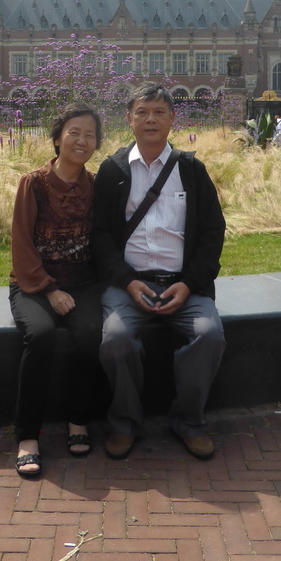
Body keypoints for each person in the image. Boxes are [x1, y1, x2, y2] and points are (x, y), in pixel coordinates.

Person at [92, 83, 226, 461]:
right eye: (142, 111)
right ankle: (124, 423)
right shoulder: (113, 170)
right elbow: (100, 234)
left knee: (210, 335)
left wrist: (189, 285)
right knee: (116, 340)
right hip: (129, 284)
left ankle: (189, 421)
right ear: (129, 118)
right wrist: (127, 281)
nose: (150, 119)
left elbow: (213, 232)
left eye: (158, 111)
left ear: (172, 118)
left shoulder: (191, 169)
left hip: (184, 286)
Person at [9, 103, 104, 479]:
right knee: (42, 335)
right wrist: (49, 290)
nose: (82, 141)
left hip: (82, 283)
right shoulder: (33, 183)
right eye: (74, 133)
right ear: (58, 137)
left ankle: (78, 420)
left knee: (90, 333)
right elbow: (21, 244)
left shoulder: (94, 186)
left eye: (90, 134)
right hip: (33, 284)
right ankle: (27, 435)